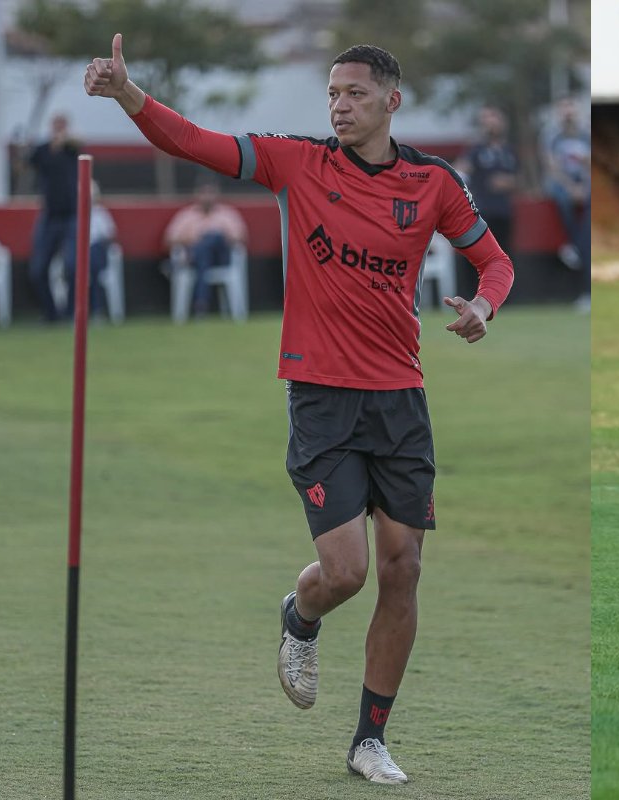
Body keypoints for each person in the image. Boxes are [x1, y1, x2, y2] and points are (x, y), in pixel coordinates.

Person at [85, 35, 513, 784]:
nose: (339, 105)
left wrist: (483, 305)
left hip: (400, 398)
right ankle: (300, 616)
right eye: (332, 94)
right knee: (345, 572)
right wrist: (129, 94)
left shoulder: (434, 182)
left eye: (353, 93)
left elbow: (496, 261)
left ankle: (369, 741)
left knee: (403, 567)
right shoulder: (298, 163)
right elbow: (194, 141)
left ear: (391, 100)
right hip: (319, 396)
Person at [164, 178, 247, 317]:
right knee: (204, 254)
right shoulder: (186, 216)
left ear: (217, 194)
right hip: (200, 262)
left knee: (215, 236)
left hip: (220, 257)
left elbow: (241, 238)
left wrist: (213, 238)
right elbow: (169, 240)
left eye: (210, 193)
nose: (207, 197)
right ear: (196, 195)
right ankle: (201, 302)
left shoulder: (227, 214)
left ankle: (181, 263)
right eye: (204, 193)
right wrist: (193, 240)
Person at [27, 113, 80, 322]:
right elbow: (24, 164)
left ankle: (71, 313)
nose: (58, 129)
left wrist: (64, 140)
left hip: (71, 216)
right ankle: (51, 314)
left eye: (62, 125)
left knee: (72, 266)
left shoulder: (72, 148)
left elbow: (80, 141)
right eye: (56, 125)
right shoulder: (42, 150)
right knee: (38, 269)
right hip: (49, 216)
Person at [543, 95, 591, 308]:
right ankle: (576, 245)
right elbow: (552, 168)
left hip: (585, 183)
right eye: (564, 109)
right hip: (562, 184)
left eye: (571, 108)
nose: (568, 113)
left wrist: (583, 187)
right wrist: (571, 188)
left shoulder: (586, 135)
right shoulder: (552, 136)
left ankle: (575, 247)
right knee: (562, 198)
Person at [455, 104, 518, 262]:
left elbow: (521, 178)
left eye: (494, 119)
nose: (491, 124)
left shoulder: (509, 151)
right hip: (481, 211)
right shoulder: (476, 150)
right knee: (480, 256)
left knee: (503, 255)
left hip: (504, 211)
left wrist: (509, 182)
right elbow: (459, 171)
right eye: (486, 120)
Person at [61, 179, 117, 320]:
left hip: (95, 252)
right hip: (75, 251)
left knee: (92, 267)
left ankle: (96, 310)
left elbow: (110, 235)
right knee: (73, 268)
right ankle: (71, 311)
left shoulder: (101, 213)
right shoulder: (71, 215)